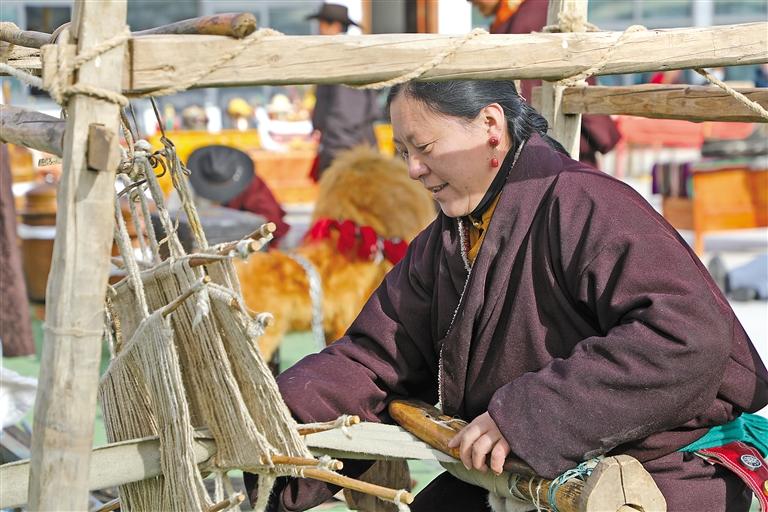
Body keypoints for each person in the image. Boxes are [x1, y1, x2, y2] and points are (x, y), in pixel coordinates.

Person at [244, 79, 768, 511]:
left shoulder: (586, 202)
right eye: (403, 152)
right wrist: (272, 418)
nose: (412, 170)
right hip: (519, 472)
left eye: (424, 148)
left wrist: (528, 415)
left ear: (491, 127)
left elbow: (685, 336)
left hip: (655, 472)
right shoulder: (445, 240)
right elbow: (375, 358)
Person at [469, 0, 621, 169]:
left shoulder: (536, 14)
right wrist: (604, 133)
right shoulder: (523, 16)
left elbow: (576, 74)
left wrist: (602, 131)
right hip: (543, 145)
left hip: (551, 143)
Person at [307, 3, 381, 179]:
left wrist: (336, 151)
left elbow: (348, 114)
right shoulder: (340, 56)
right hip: (348, 149)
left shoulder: (345, 60)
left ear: (335, 26)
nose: (319, 30)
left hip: (348, 153)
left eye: (322, 24)